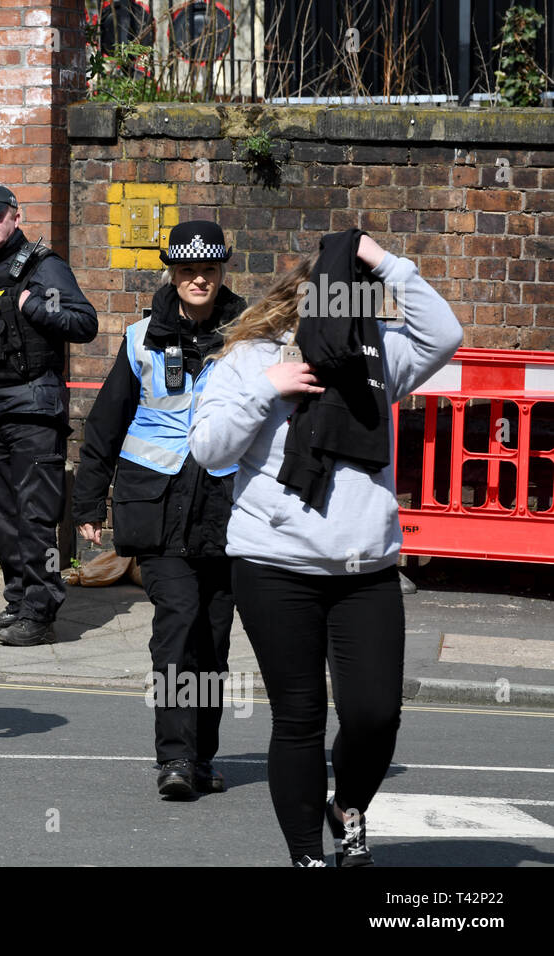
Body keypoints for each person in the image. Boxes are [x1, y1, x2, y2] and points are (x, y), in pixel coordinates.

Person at [189, 230, 462, 865]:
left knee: (375, 716)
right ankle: (307, 854)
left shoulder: (378, 357)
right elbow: (208, 450)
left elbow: (444, 335)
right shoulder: (251, 360)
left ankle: (349, 807)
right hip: (275, 566)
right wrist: (270, 389)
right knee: (300, 720)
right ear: (305, 299)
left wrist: (378, 257)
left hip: (366, 569)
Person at [73, 220, 246, 799]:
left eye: (210, 270)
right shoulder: (141, 337)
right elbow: (107, 422)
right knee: (176, 627)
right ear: (173, 274)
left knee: (213, 641)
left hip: (225, 513)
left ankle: (201, 758)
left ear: (223, 274)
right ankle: (174, 758)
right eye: (188, 271)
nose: (199, 279)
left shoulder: (249, 336)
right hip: (157, 508)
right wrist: (88, 502)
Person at [0, 186, 97, 646]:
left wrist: (36, 306)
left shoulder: (42, 266)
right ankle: (17, 601)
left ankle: (41, 609)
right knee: (5, 517)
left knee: (35, 516)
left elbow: (85, 323)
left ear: (16, 216)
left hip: (33, 410)